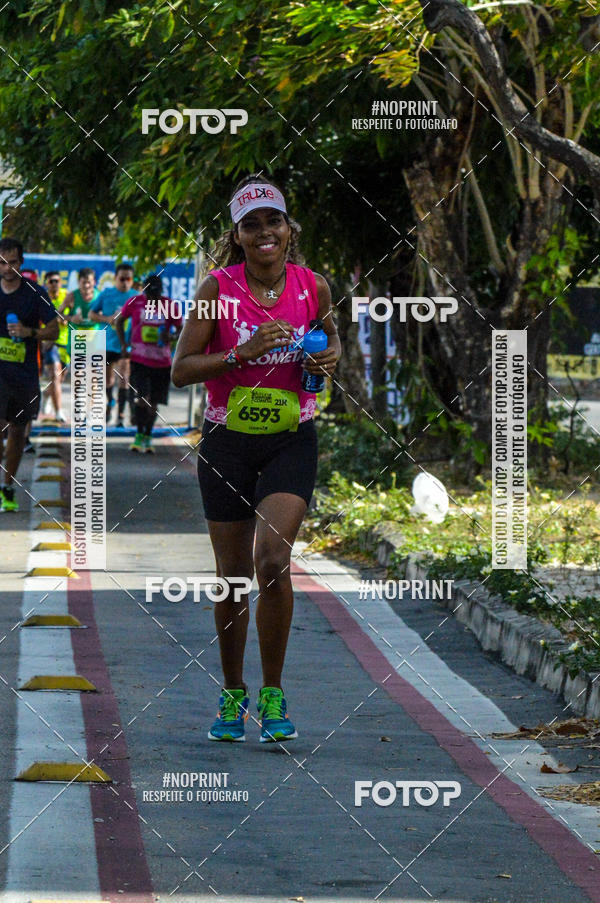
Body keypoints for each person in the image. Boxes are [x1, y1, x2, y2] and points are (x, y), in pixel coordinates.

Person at [172, 174, 341, 743]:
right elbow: (181, 369)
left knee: (272, 561)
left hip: (292, 438)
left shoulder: (312, 285)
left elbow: (330, 341)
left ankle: (272, 693)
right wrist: (238, 354)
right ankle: (231, 691)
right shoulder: (215, 288)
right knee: (232, 577)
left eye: (274, 220)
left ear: (289, 229)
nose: (265, 232)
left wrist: (325, 360)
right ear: (238, 235)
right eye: (252, 224)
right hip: (227, 442)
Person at [0, 238, 59, 512]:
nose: (7, 268)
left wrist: (29, 333)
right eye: (2, 262)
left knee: (17, 431)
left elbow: (54, 331)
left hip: (23, 375)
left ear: (21, 263)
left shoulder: (35, 292)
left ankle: (8, 487)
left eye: (12, 262)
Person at [115, 273, 181, 453]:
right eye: (150, 295)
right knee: (142, 399)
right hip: (139, 360)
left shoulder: (169, 305)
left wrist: (172, 337)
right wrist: (124, 344)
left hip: (162, 362)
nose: (153, 299)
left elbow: (182, 329)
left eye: (156, 295)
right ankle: (139, 435)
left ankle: (148, 436)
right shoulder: (135, 302)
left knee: (154, 403)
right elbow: (119, 321)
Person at [89, 263, 136, 426]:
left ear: (132, 280)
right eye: (121, 278)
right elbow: (91, 314)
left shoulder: (135, 296)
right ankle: (110, 403)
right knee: (108, 379)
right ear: (115, 278)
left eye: (128, 279)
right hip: (107, 342)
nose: (124, 282)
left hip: (126, 343)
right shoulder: (107, 294)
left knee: (124, 376)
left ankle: (121, 415)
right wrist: (107, 319)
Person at [41, 271, 68, 421]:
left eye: (57, 281)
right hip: (50, 342)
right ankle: (58, 412)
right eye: (51, 281)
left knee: (60, 378)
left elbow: (73, 317)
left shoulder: (67, 296)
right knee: (55, 376)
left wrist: (67, 320)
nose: (54, 284)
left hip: (66, 342)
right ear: (46, 283)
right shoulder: (42, 298)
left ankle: (46, 395)